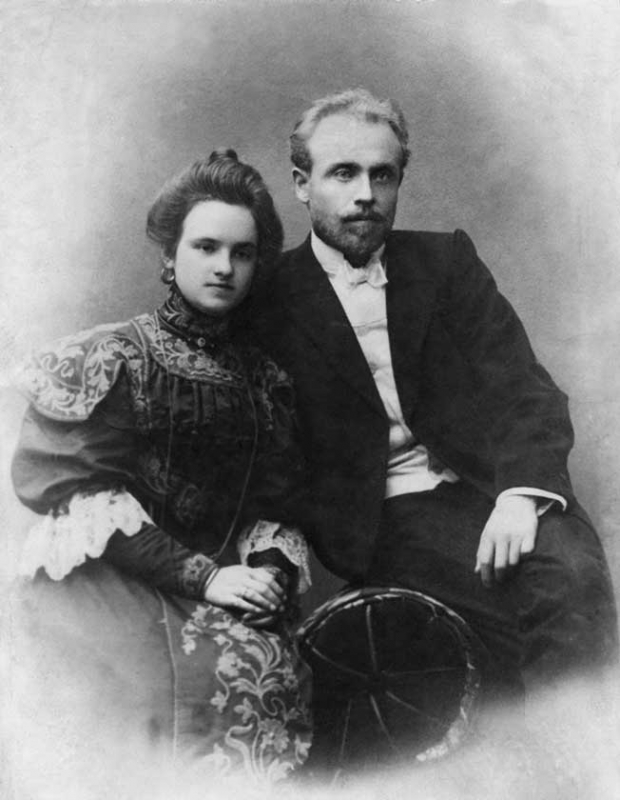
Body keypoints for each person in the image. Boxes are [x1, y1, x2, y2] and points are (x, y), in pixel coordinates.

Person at [253, 88, 618, 705]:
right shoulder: (271, 299)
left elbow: (523, 387)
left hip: (493, 489)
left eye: (382, 174)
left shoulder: (445, 262)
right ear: (301, 184)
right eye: (343, 173)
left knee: (575, 583)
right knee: (505, 639)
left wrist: (520, 496)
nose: (366, 194)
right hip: (387, 519)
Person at [9, 150, 312, 794]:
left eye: (243, 253)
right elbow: (84, 499)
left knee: (270, 671)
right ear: (170, 256)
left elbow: (273, 506)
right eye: (206, 247)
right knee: (143, 696)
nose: (225, 267)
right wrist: (208, 577)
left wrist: (268, 575)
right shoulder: (115, 357)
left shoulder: (265, 382)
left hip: (218, 583)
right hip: (112, 579)